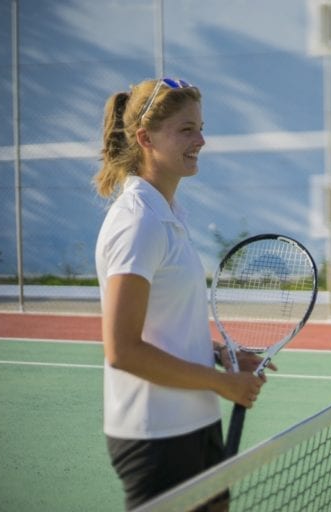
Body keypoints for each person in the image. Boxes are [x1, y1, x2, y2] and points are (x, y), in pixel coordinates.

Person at [94, 77, 270, 511]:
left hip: (195, 419)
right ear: (145, 138)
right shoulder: (138, 222)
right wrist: (224, 384)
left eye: (200, 127)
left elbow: (162, 323)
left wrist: (215, 352)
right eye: (186, 129)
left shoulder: (168, 213)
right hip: (155, 433)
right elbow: (123, 350)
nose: (201, 140)